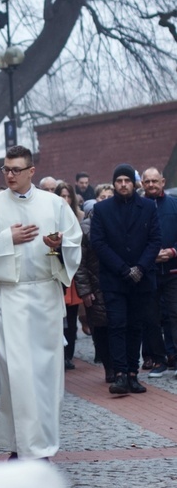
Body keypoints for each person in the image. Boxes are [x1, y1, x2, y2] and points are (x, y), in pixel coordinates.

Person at [0, 145, 81, 460]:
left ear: (32, 171)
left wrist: (59, 246)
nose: (10, 174)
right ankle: (21, 446)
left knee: (46, 375)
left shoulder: (55, 204)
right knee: (16, 374)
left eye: (17, 169)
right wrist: (8, 240)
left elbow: (74, 243)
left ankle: (42, 445)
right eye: (7, 169)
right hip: (12, 296)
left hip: (45, 295)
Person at [91, 164, 161, 394]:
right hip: (114, 278)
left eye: (127, 180)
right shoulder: (102, 210)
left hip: (142, 278)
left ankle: (133, 373)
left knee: (135, 326)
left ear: (134, 183)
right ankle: (119, 374)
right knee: (117, 325)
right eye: (119, 180)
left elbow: (154, 240)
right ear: (114, 183)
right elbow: (99, 243)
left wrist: (140, 267)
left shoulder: (148, 207)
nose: (123, 184)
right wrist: (123, 269)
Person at [140, 167, 177, 377]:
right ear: (142, 184)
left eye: (155, 181)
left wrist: (173, 251)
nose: (152, 185)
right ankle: (159, 360)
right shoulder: (137, 207)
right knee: (152, 318)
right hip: (149, 270)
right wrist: (150, 255)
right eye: (148, 181)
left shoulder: (174, 204)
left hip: (173, 270)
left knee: (175, 315)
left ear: (162, 182)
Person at [75, 186, 113, 383]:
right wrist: (85, 290)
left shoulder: (118, 220)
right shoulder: (86, 227)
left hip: (116, 284)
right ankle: (109, 368)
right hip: (95, 286)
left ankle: (121, 368)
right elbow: (79, 263)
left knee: (120, 327)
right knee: (101, 329)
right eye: (102, 197)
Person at [54, 182, 84, 370]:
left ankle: (69, 355)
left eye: (68, 196)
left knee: (71, 318)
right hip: (57, 268)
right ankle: (59, 353)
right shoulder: (52, 216)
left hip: (74, 272)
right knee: (58, 317)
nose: (65, 200)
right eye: (61, 196)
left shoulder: (78, 216)